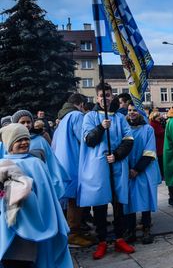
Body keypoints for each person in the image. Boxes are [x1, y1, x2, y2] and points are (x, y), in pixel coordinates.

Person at [0, 123, 73, 267]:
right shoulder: (2, 165)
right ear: (9, 143)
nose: (24, 143)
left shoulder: (36, 164)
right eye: (19, 140)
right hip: (9, 225)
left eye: (26, 139)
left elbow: (47, 197)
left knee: (31, 259)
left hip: (37, 222)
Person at [78, 82, 135, 259]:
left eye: (108, 95)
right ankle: (102, 241)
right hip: (98, 167)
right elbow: (89, 140)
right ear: (97, 97)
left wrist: (117, 155)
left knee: (118, 204)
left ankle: (119, 238)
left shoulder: (119, 117)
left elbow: (129, 139)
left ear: (112, 96)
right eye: (102, 95)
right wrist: (101, 127)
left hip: (116, 165)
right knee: (100, 205)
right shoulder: (90, 117)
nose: (105, 98)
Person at [51, 93, 95, 247]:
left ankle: (73, 231)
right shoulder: (76, 115)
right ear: (81, 104)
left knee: (71, 199)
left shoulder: (63, 119)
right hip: (73, 163)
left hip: (62, 163)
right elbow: (84, 138)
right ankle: (74, 233)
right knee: (75, 200)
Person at [123, 102, 161, 245]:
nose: (131, 113)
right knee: (129, 201)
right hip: (127, 171)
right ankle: (131, 231)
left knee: (145, 200)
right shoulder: (124, 128)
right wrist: (127, 169)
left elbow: (150, 151)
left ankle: (146, 229)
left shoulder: (147, 129)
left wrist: (136, 169)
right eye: (129, 110)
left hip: (143, 170)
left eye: (134, 110)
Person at [12, 109, 69, 200]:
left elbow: (51, 163)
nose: (26, 125)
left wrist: (55, 181)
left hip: (39, 184)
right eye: (22, 122)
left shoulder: (40, 140)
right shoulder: (9, 142)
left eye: (28, 122)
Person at [149, 111, 165, 178]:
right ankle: (161, 175)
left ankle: (162, 174)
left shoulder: (157, 123)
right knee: (160, 161)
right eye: (158, 116)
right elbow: (159, 133)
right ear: (154, 117)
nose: (160, 117)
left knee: (161, 160)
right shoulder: (153, 124)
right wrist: (164, 131)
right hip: (158, 144)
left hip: (160, 144)